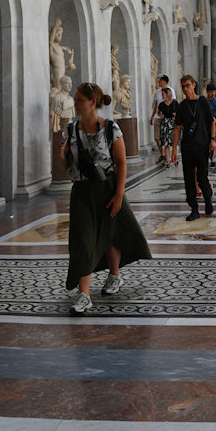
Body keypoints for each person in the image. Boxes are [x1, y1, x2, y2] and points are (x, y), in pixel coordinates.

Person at [61, 83, 152, 314]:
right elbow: (66, 164)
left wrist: (119, 195)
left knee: (111, 235)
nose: (75, 103)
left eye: (80, 99)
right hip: (82, 191)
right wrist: (63, 155)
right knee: (83, 241)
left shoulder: (111, 128)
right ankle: (84, 295)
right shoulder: (71, 129)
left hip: (107, 188)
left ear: (93, 102)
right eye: (75, 99)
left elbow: (121, 163)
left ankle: (114, 275)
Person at [175, 75, 216, 220]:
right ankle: (194, 209)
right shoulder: (181, 106)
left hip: (202, 146)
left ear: (194, 85)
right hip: (187, 147)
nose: (185, 89)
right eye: (183, 87)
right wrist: (174, 149)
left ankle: (208, 199)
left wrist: (213, 140)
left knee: (202, 177)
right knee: (188, 179)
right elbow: (177, 128)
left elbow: (211, 122)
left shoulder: (203, 102)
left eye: (187, 85)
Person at [150, 86, 178, 164]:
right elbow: (158, 112)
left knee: (173, 142)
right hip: (165, 123)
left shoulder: (175, 103)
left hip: (172, 123)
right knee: (166, 144)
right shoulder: (161, 104)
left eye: (163, 94)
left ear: (167, 94)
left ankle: (174, 159)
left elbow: (179, 111)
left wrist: (176, 114)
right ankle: (168, 162)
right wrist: (160, 115)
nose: (162, 96)